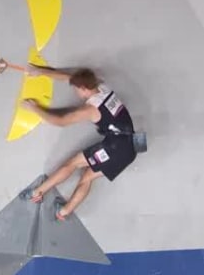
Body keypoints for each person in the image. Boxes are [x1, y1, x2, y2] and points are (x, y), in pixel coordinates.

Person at [21, 64, 141, 220]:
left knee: (72, 164)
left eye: (77, 89)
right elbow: (69, 78)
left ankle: (37, 193)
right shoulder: (102, 87)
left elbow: (60, 121)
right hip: (128, 144)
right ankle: (63, 212)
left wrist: (34, 109)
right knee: (86, 177)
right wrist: (40, 72)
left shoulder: (91, 110)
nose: (75, 92)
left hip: (115, 149)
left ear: (84, 88)